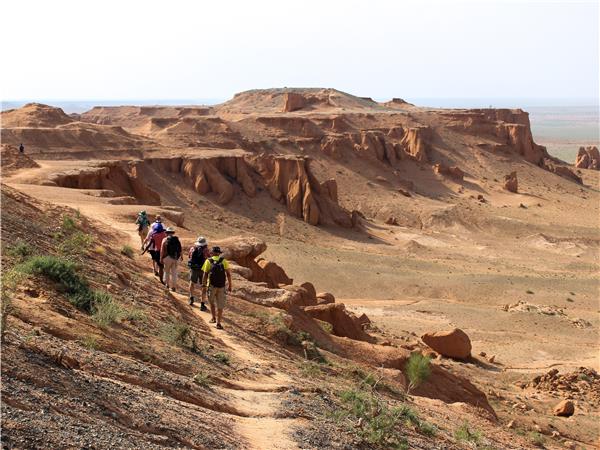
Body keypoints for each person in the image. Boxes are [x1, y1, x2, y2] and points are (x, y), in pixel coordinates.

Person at [201, 246, 232, 329]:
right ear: (219, 253)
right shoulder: (224, 261)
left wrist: (203, 284)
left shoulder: (208, 261)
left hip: (211, 285)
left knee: (211, 302)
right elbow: (228, 274)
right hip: (221, 286)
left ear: (212, 253)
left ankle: (213, 318)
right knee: (220, 305)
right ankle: (218, 323)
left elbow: (205, 274)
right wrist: (230, 285)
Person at [188, 236, 210, 310]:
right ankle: (202, 304)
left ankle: (191, 298)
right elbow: (208, 259)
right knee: (203, 286)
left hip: (194, 269)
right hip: (203, 270)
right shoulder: (206, 250)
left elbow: (189, 257)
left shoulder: (192, 249)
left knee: (192, 283)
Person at [160, 227, 182, 292]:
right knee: (174, 273)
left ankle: (167, 284)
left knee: (167, 272)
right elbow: (180, 249)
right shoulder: (177, 239)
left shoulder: (164, 239)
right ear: (173, 233)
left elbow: (162, 250)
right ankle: (174, 287)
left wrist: (161, 258)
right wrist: (181, 256)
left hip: (167, 258)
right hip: (176, 258)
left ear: (166, 233)